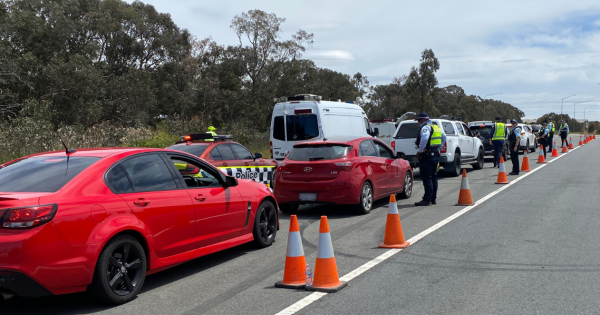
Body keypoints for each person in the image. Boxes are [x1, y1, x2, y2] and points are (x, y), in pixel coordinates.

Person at [414, 113, 447, 206]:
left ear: (422, 120)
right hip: (435, 155)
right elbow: (444, 138)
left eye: (418, 120)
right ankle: (433, 198)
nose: (418, 123)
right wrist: (438, 148)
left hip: (426, 156)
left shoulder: (426, 127)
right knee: (434, 177)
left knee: (427, 178)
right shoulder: (436, 127)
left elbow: (424, 138)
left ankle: (427, 199)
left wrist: (420, 150)